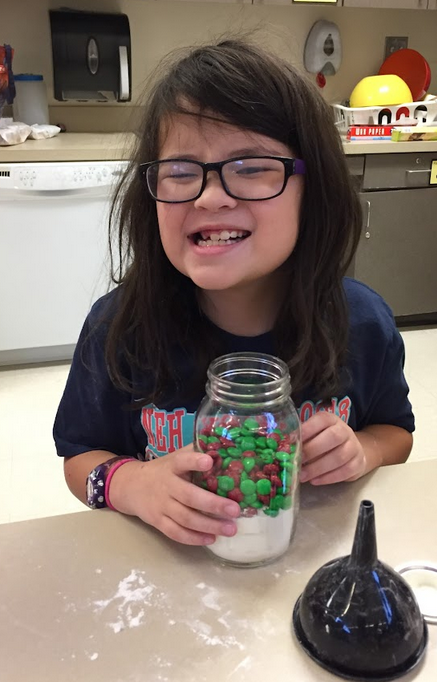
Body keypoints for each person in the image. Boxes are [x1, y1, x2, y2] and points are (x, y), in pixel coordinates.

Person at [54, 39, 414, 548]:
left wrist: (364, 450)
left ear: (313, 190)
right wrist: (130, 484)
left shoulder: (362, 323)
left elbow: (397, 435)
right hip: (169, 575)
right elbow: (79, 457)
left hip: (302, 558)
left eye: (251, 167)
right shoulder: (120, 327)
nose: (210, 196)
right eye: (180, 172)